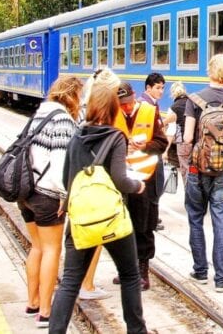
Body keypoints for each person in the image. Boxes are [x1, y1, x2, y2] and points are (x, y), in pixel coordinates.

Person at [49, 85, 148, 334]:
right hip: (111, 219)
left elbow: (66, 180)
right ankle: (136, 330)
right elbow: (120, 180)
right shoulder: (116, 137)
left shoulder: (76, 136)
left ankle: (56, 331)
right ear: (114, 108)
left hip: (81, 220)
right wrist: (137, 186)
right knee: (129, 275)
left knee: (70, 281)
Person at [17, 76, 83, 329]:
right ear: (72, 95)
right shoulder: (63, 119)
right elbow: (60, 162)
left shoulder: (40, 112)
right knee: (52, 250)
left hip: (27, 192)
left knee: (37, 247)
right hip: (47, 194)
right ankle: (45, 311)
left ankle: (32, 301)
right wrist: (64, 196)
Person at [183, 53, 223, 293]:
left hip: (196, 170)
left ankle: (200, 271)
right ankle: (222, 279)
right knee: (220, 222)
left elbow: (189, 137)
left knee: (195, 218)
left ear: (209, 70)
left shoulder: (194, 100)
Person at [112, 81, 168, 290]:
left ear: (134, 96)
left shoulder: (149, 112)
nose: (125, 107)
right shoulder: (112, 114)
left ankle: (142, 272)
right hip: (121, 178)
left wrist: (146, 146)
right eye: (121, 104)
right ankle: (125, 269)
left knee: (144, 225)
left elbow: (162, 143)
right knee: (121, 225)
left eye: (127, 102)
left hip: (146, 178)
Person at [76, 68, 121, 302]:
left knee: (83, 236)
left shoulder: (82, 109)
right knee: (96, 234)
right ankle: (87, 284)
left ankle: (80, 281)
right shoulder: (95, 115)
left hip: (79, 182)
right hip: (92, 183)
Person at [138, 72, 166, 231]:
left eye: (162, 88)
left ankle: (151, 219)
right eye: (157, 88)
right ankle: (151, 221)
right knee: (154, 188)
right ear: (148, 88)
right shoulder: (146, 105)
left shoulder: (151, 103)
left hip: (150, 152)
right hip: (150, 153)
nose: (161, 91)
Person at [164, 81, 189, 184]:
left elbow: (171, 130)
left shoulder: (174, 108)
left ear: (173, 94)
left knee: (185, 170)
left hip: (182, 142)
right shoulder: (192, 103)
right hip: (196, 141)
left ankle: (189, 196)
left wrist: (165, 150)